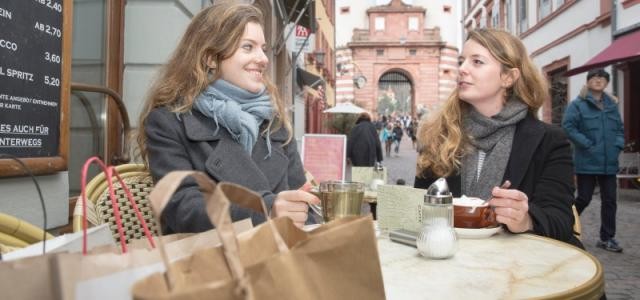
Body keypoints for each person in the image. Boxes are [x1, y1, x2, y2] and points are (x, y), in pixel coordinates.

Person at [136, 2, 319, 233]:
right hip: (211, 262)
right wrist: (266, 209)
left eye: (263, 48)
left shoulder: (274, 121)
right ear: (211, 58)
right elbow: (183, 208)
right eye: (248, 47)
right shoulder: (169, 122)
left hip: (280, 260)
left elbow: (302, 202)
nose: (263, 58)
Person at [414, 28, 581, 248]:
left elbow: (561, 220)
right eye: (462, 61)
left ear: (508, 77)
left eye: (477, 62)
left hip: (519, 269)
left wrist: (526, 219)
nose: (462, 69)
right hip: (449, 261)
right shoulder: (439, 134)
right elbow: (418, 211)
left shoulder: (549, 141)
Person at [561, 68, 624, 253]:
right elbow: (568, 126)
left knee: (610, 200)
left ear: (606, 83)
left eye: (602, 78)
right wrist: (587, 145)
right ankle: (565, 225)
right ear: (588, 81)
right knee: (584, 198)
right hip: (587, 161)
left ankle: (607, 238)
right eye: (594, 78)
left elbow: (619, 128)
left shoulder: (612, 105)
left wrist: (618, 145)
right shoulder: (578, 104)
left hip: (609, 162)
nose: (598, 80)